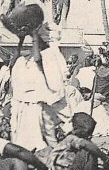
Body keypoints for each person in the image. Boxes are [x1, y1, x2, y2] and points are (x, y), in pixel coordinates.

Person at [9, 21, 70, 152]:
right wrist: (20, 40)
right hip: (24, 103)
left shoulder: (49, 55)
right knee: (34, 137)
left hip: (37, 104)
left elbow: (38, 60)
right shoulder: (25, 59)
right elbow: (13, 61)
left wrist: (35, 36)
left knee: (43, 137)